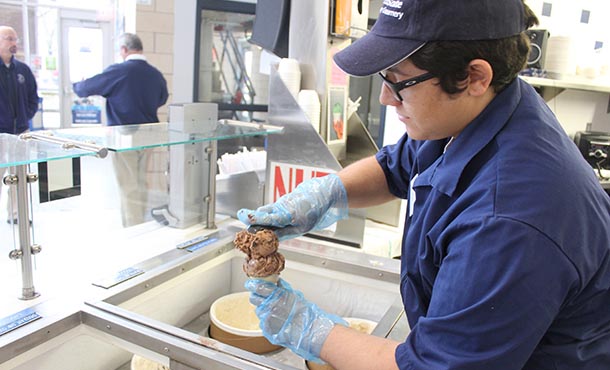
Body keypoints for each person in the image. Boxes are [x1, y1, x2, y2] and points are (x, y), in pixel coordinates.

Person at [237, 1, 610, 369]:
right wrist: (323, 194)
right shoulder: (481, 108)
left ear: (475, 76)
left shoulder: (509, 223)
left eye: (399, 81)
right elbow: (397, 166)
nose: (385, 97)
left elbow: (434, 367)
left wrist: (305, 328)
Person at [73, 33, 168, 227]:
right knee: (141, 181)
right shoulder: (155, 74)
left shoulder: (119, 71)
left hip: (126, 135)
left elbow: (84, 89)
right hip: (149, 133)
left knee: (129, 185)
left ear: (124, 50)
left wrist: (77, 83)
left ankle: (134, 228)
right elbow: (162, 98)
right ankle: (140, 222)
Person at [0, 25, 39, 225]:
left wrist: (26, 116)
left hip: (20, 133)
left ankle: (15, 213)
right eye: (9, 39)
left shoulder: (22, 70)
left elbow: (34, 98)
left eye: (16, 39)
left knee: (18, 176)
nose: (14, 43)